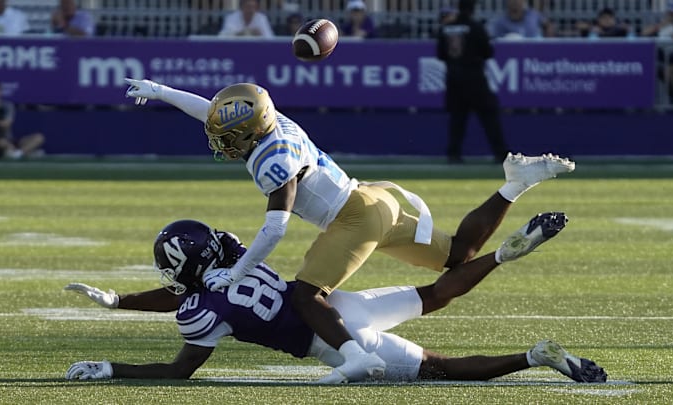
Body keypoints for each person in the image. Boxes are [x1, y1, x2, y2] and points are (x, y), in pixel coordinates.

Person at [122, 77, 575, 383]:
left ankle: (356, 358)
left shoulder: (269, 160)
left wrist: (236, 273)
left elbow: (275, 228)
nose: (221, 139)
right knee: (457, 254)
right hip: (374, 199)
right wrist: (162, 91)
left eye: (230, 135)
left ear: (251, 129)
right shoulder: (273, 122)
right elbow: (216, 113)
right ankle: (515, 185)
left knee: (305, 296)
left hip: (352, 218)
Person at [64, 217, 607, 383]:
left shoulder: (204, 310)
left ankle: (533, 357)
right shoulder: (235, 259)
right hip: (344, 303)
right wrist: (119, 302)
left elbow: (179, 370)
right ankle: (500, 257)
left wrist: (111, 367)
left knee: (442, 370)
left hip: (340, 343)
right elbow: (189, 288)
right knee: (435, 292)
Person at [437, 0, 509, 164]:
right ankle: (500, 153)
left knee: (457, 119)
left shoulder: (446, 27)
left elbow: (440, 54)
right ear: (473, 9)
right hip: (474, 77)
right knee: (489, 116)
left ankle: (453, 154)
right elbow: (488, 51)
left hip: (453, 78)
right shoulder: (476, 26)